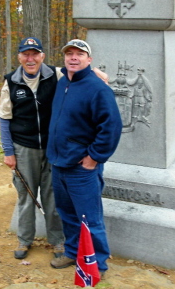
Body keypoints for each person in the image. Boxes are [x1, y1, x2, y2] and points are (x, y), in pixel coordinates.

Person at [46, 39, 123, 275]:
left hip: (82, 168)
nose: (73, 57)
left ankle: (96, 265)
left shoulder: (98, 89)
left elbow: (111, 127)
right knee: (67, 214)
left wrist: (94, 158)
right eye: (69, 53)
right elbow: (36, 65)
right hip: (59, 164)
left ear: (89, 60)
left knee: (90, 219)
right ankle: (72, 252)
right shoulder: (62, 82)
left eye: (79, 54)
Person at [0, 36, 65, 260]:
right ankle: (24, 240)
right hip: (23, 148)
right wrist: (8, 152)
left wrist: (99, 74)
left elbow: (81, 72)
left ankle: (57, 242)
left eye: (34, 54)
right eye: (26, 54)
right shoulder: (11, 81)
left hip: (51, 148)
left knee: (52, 197)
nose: (30, 58)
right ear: (19, 57)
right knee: (26, 198)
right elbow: (4, 119)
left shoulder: (56, 75)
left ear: (42, 56)